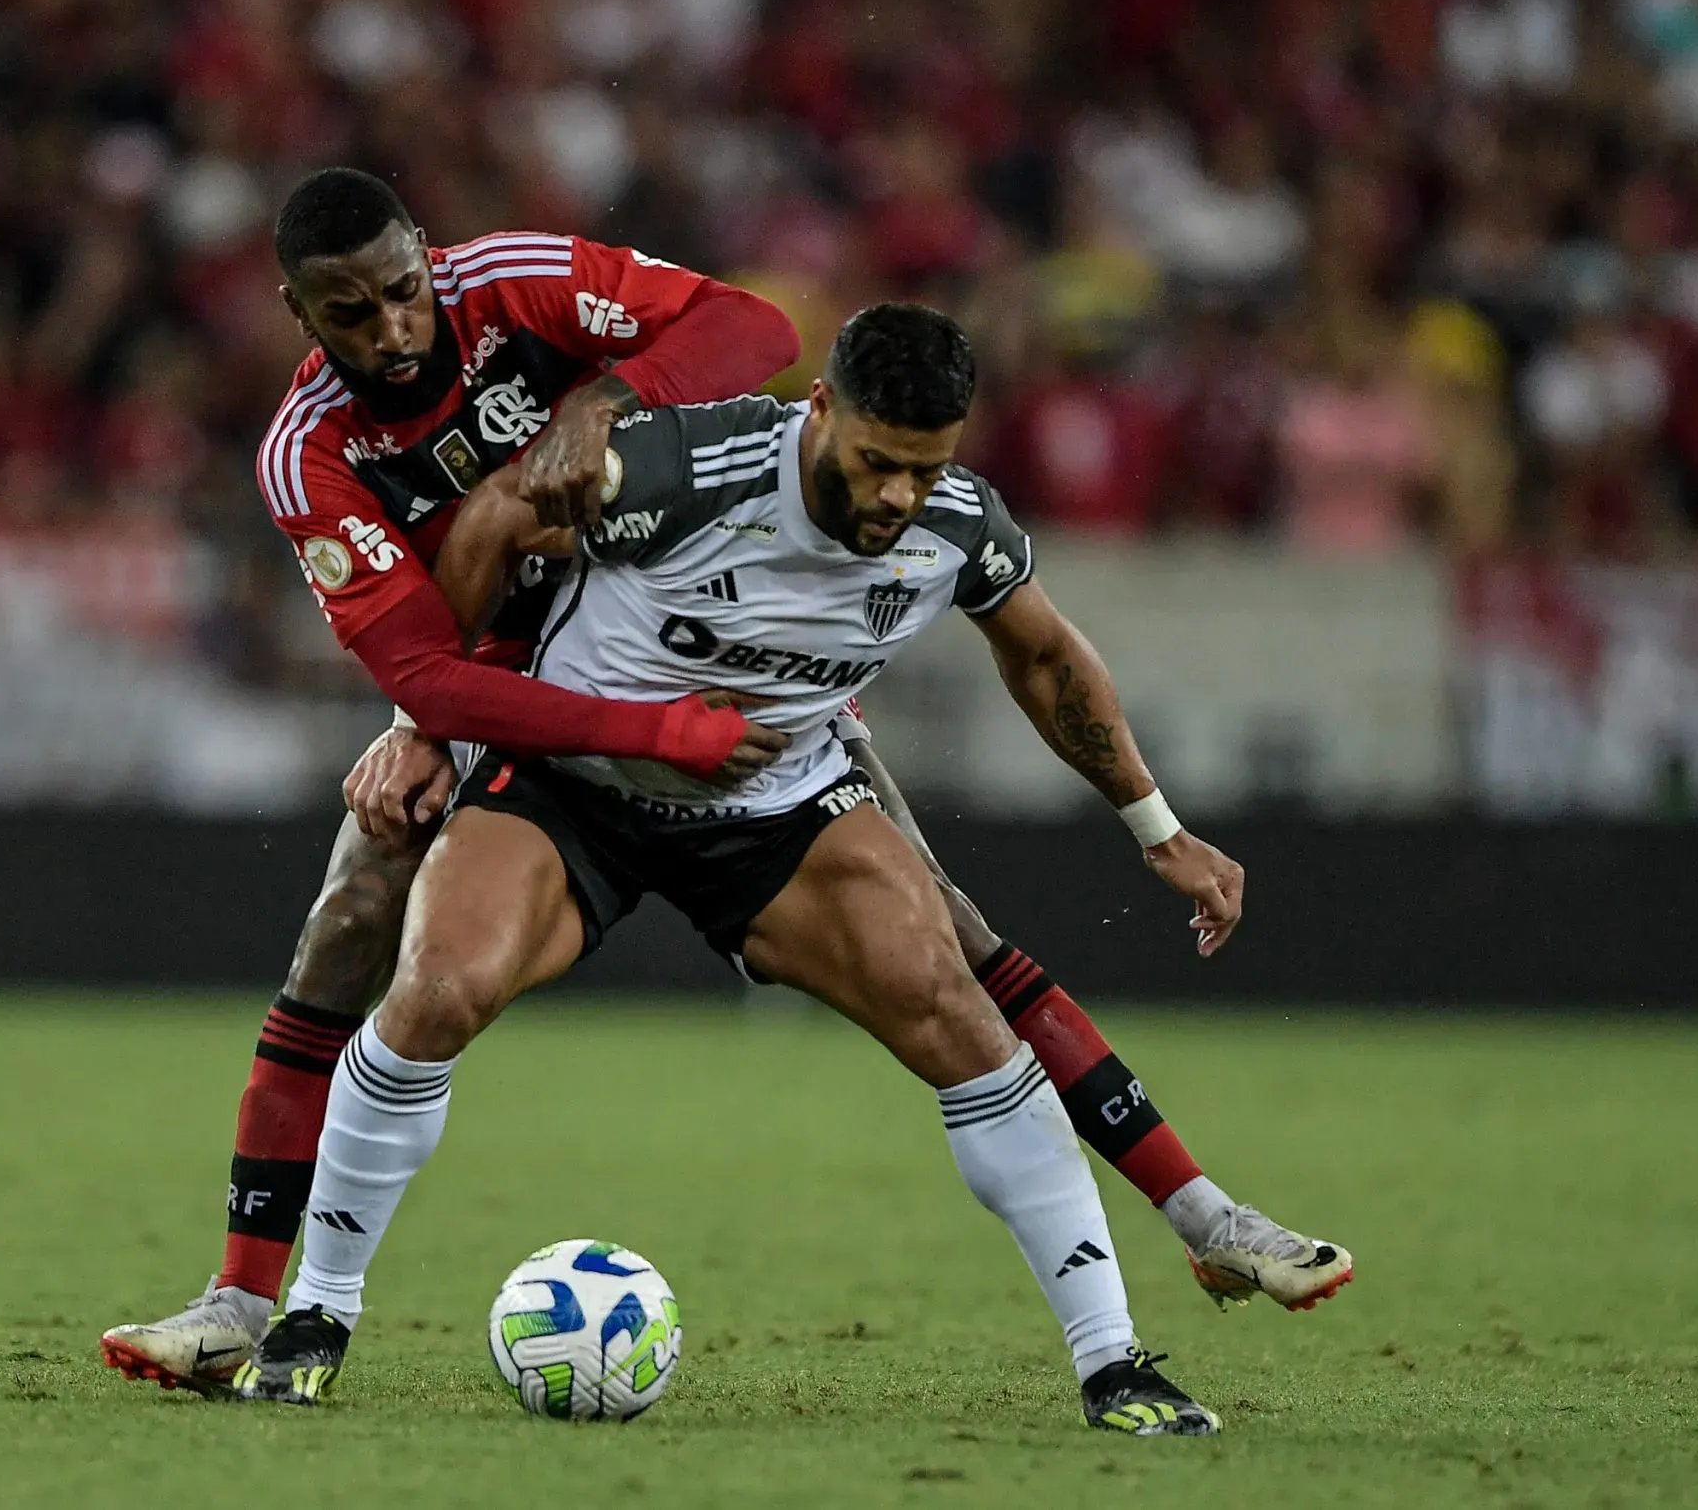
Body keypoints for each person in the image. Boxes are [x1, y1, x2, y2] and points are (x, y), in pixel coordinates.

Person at [102, 173, 1348, 1395]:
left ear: (426, 257)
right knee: (360, 926)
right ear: (296, 315)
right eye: (349, 315)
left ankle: (1201, 1219)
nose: (389, 332)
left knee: (954, 962)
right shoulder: (308, 449)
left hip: (739, 717)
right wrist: (455, 719)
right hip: (495, 678)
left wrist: (604, 399)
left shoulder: (518, 291)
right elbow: (453, 602)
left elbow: (751, 326)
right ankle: (246, 1305)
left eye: (400, 294)